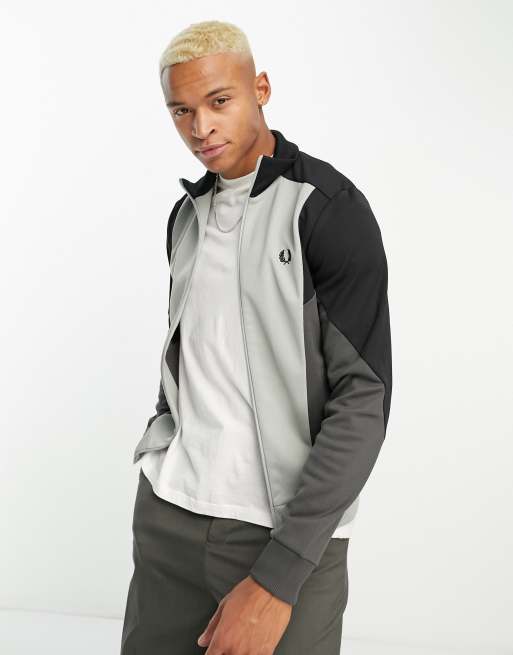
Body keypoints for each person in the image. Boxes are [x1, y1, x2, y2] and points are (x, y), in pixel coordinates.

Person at [120, 19, 392, 655]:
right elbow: (191, 354)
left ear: (260, 88)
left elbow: (364, 400)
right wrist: (164, 440)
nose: (200, 127)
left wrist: (283, 570)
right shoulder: (186, 217)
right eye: (181, 110)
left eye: (219, 101)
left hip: (285, 537)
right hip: (170, 518)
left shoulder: (327, 210)